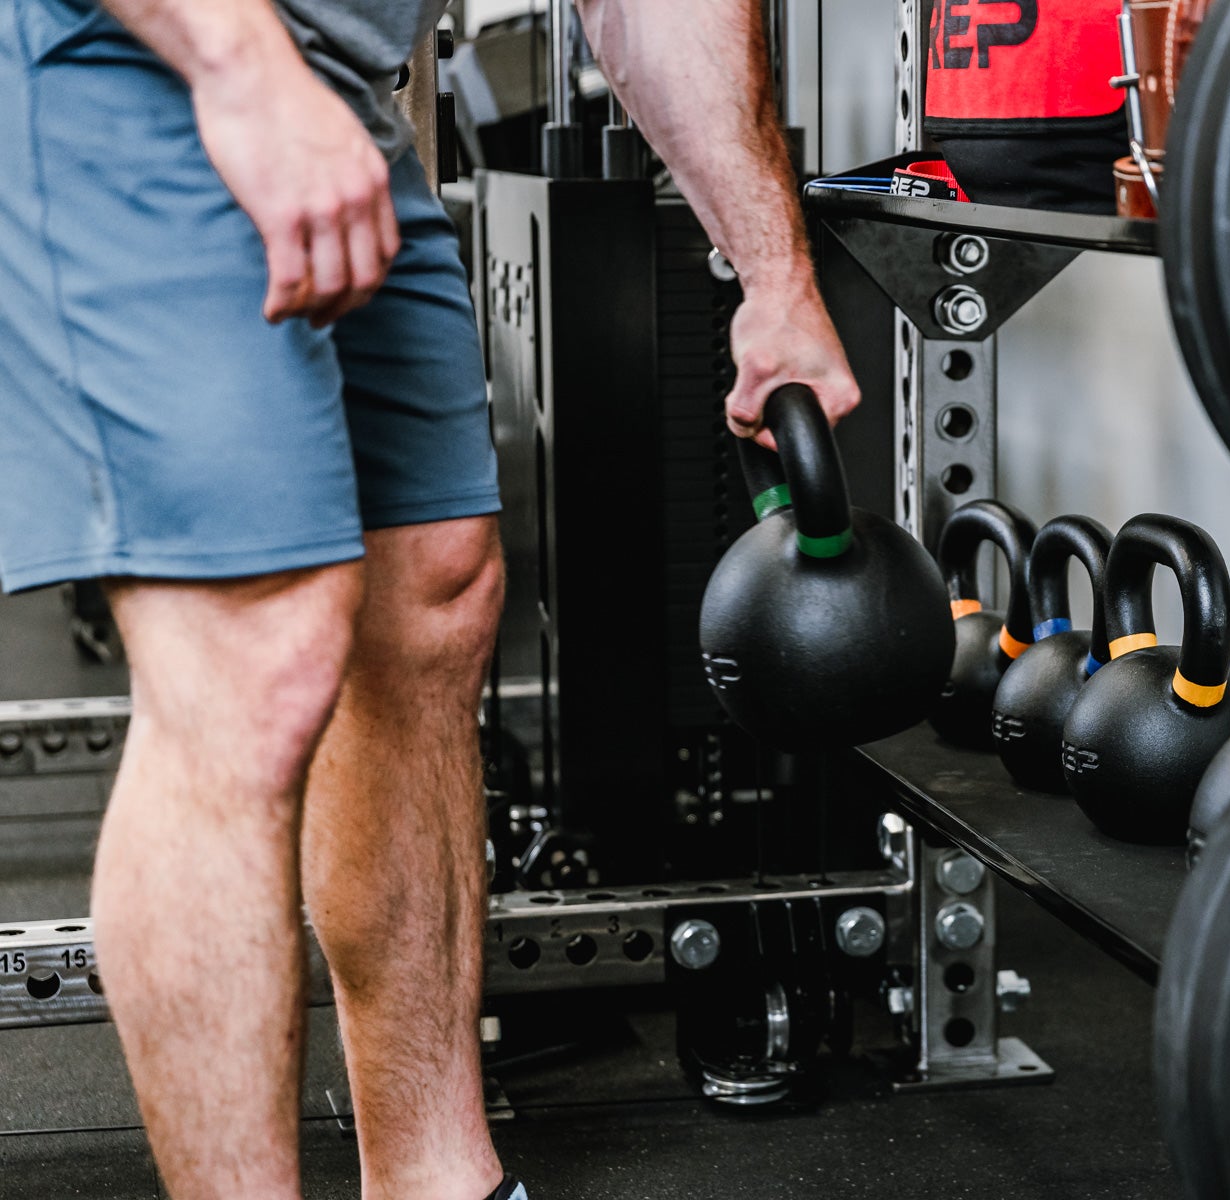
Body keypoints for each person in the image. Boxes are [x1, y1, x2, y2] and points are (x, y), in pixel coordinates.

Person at [0, 0, 858, 1194]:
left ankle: (441, 1182)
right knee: (255, 643)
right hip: (138, 56)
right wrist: (247, 72)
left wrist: (773, 273)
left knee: (435, 592)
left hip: (343, 92)